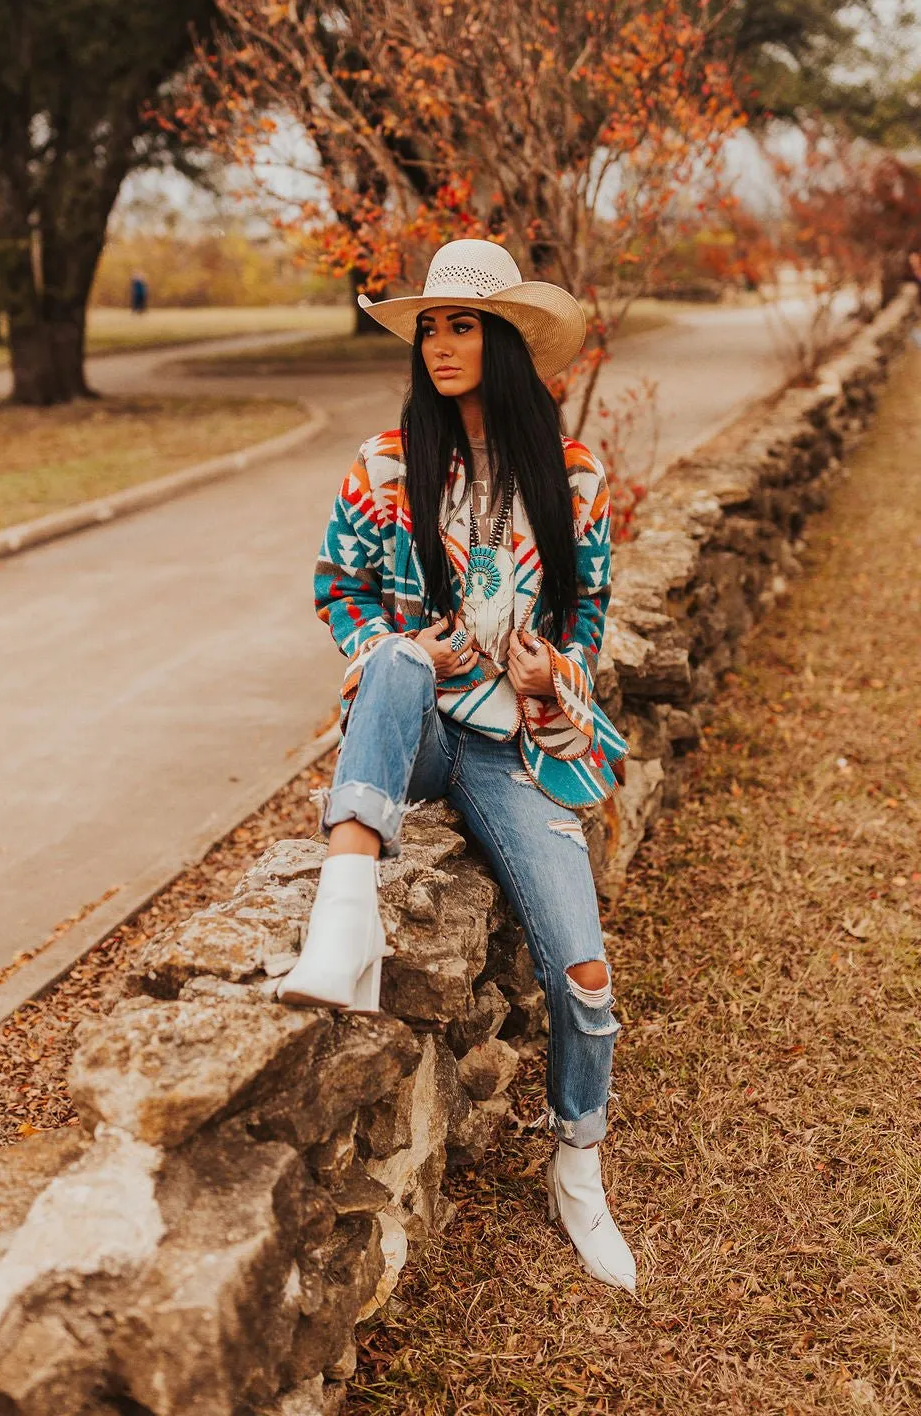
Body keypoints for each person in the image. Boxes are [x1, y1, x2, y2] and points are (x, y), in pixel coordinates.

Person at [278, 239, 636, 1294]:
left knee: (585, 974)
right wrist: (409, 653)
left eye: (461, 323)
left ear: (509, 341)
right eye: (429, 324)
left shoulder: (572, 479)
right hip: (417, 726)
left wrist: (550, 669)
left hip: (513, 747)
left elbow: (588, 615)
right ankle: (341, 925)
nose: (438, 343)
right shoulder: (385, 464)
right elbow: (338, 588)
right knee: (390, 656)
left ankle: (579, 1165)